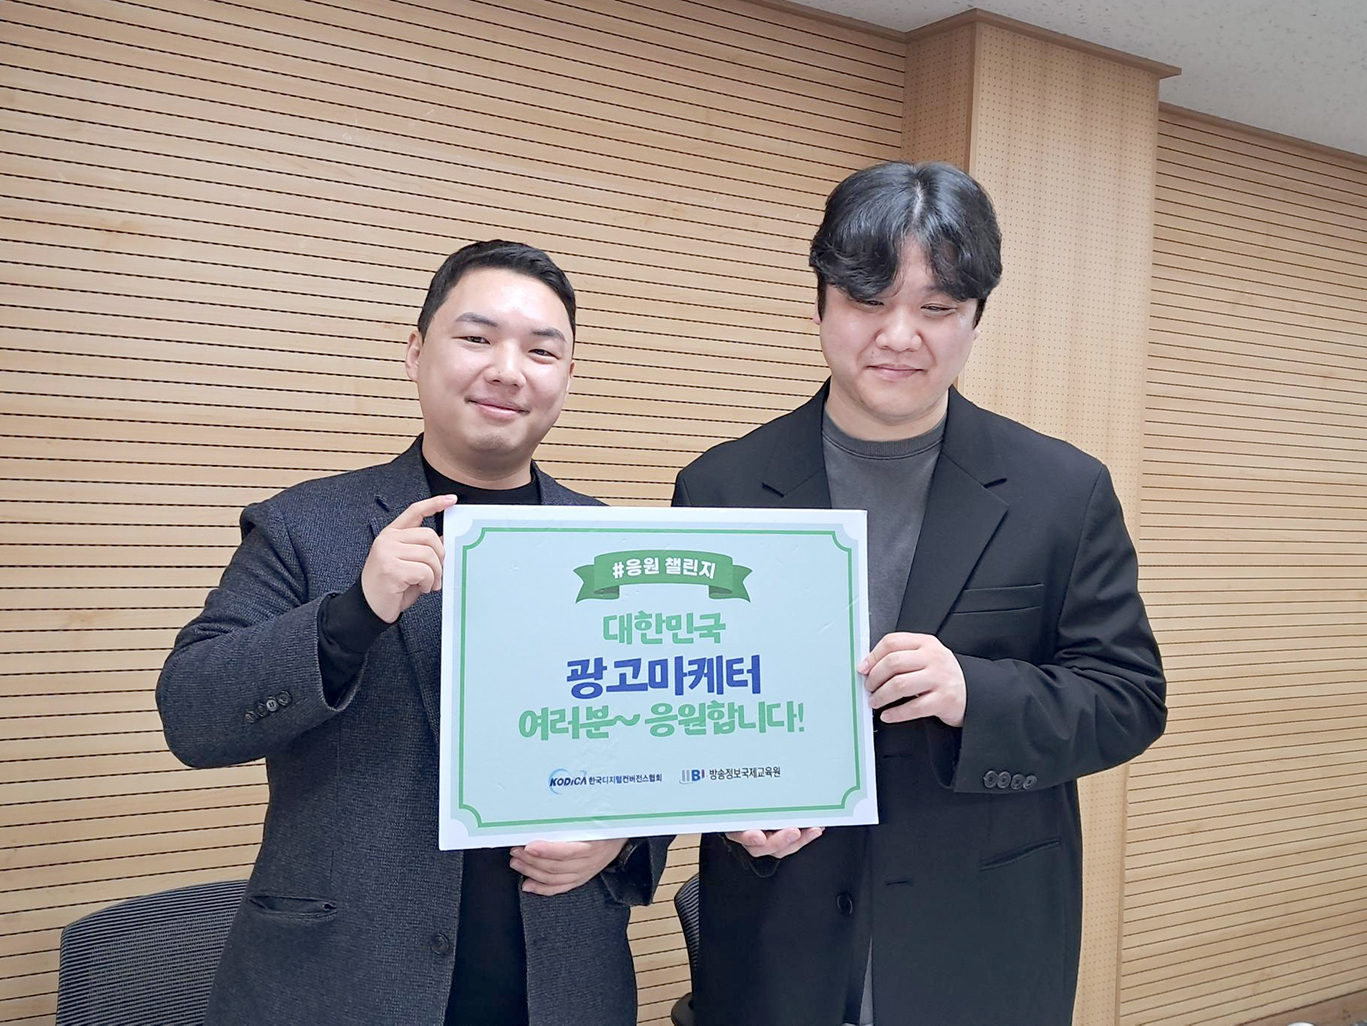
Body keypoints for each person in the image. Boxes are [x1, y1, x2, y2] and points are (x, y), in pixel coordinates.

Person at [672, 162, 1166, 1026]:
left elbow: (1129, 699)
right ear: (820, 303)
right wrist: (730, 806)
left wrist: (977, 691)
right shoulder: (720, 487)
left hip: (979, 936)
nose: (898, 335)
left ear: (975, 318)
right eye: (867, 300)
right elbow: (683, 699)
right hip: (778, 931)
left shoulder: (1061, 490)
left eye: (935, 308)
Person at [158, 240, 671, 1026]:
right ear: (415, 352)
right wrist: (352, 613)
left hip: (561, 985)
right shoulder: (305, 526)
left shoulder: (613, 545)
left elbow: (662, 737)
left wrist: (624, 839)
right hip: (339, 985)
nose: (508, 370)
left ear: (566, 377)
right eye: (477, 338)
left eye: (541, 351)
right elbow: (193, 714)